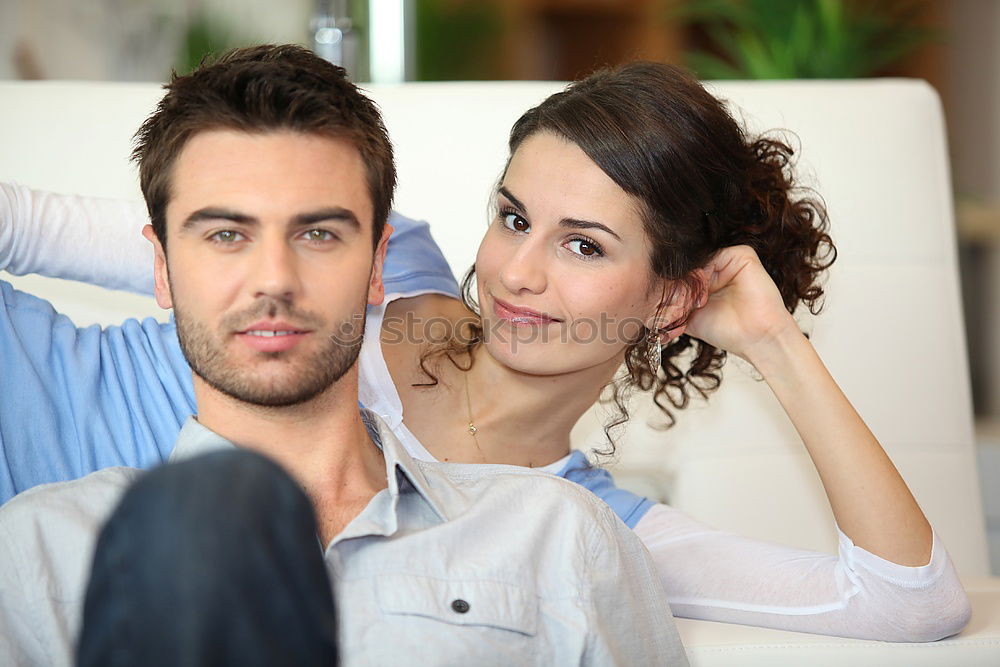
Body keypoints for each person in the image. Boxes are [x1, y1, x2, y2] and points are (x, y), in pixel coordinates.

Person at [0, 59, 971, 642]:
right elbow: (26, 228)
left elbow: (906, 602)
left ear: (670, 296)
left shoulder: (580, 528)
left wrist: (772, 339)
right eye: (513, 216)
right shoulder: (390, 250)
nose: (517, 272)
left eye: (583, 245)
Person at [0, 45, 685, 666]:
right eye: (226, 234)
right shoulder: (37, 552)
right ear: (160, 268)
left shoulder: (557, 534)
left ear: (379, 265)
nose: (274, 278)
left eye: (319, 233)